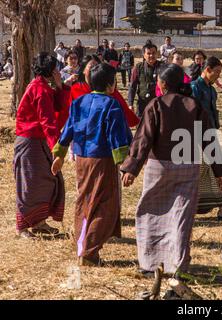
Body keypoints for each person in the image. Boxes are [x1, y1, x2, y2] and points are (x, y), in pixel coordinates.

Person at [120, 64, 222, 277]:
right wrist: (218, 170)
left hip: (159, 167)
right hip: (188, 167)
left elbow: (143, 139)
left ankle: (150, 264)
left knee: (150, 212)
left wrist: (131, 168)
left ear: (163, 84)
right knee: (181, 217)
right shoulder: (194, 106)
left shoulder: (156, 105)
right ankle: (177, 265)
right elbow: (209, 139)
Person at [52, 63, 133, 267]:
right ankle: (89, 251)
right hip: (102, 160)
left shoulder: (79, 102)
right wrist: (124, 165)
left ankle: (82, 243)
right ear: (110, 84)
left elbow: (68, 129)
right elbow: (116, 137)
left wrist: (60, 154)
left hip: (81, 159)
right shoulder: (111, 104)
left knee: (84, 200)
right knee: (104, 203)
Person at [14, 52, 70, 239]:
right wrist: (58, 150)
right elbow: (48, 122)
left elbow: (59, 106)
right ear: (51, 69)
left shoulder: (43, 87)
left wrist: (60, 84)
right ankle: (22, 227)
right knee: (29, 184)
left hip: (38, 141)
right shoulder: (40, 90)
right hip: (30, 141)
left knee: (46, 181)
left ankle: (38, 222)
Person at [191, 57, 222, 220]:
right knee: (197, 175)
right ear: (207, 69)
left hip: (211, 136)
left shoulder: (211, 90)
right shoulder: (194, 88)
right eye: (217, 71)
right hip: (196, 139)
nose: (218, 75)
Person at [128, 43, 163, 117]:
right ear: (144, 55)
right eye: (148, 53)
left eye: (153, 53)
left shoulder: (163, 66)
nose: (151, 56)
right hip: (142, 104)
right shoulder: (138, 67)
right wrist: (130, 103)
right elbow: (132, 86)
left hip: (159, 103)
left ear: (157, 54)